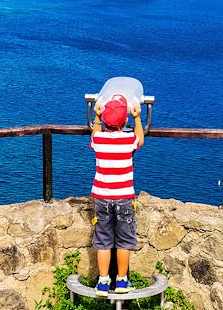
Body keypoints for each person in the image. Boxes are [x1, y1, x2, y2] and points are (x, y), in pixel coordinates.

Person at [90, 94, 144, 296]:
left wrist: (96, 117)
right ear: (126, 120)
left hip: (102, 198)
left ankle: (103, 282)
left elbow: (94, 133)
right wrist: (138, 118)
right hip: (124, 198)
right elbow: (140, 139)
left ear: (104, 119)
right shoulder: (129, 139)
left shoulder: (99, 139)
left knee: (103, 239)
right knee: (124, 240)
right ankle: (122, 281)